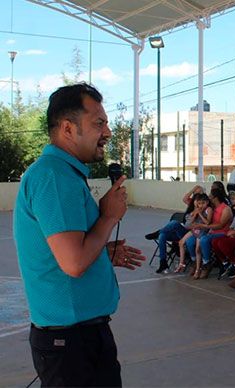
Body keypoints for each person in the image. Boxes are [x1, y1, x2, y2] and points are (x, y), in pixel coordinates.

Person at [13, 83, 146, 386]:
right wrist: (109, 217)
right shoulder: (54, 177)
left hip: (78, 337)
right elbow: (73, 262)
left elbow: (66, 250)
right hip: (71, 342)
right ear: (68, 129)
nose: (108, 132)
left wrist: (101, 251)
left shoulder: (61, 174)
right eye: (99, 123)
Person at [195, 188, 233, 279]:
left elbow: (221, 225)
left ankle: (206, 263)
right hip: (212, 232)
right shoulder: (212, 208)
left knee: (204, 239)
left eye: (210, 196)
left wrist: (204, 226)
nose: (209, 198)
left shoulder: (226, 208)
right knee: (193, 240)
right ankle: (196, 264)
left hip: (223, 233)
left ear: (215, 198)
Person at [174, 193, 213, 273]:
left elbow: (207, 223)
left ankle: (198, 269)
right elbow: (189, 224)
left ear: (207, 202)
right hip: (195, 229)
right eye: (199, 203)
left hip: (202, 230)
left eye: (203, 203)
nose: (201, 205)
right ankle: (182, 263)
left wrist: (200, 214)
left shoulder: (208, 209)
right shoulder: (196, 209)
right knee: (181, 242)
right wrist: (194, 214)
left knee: (197, 249)